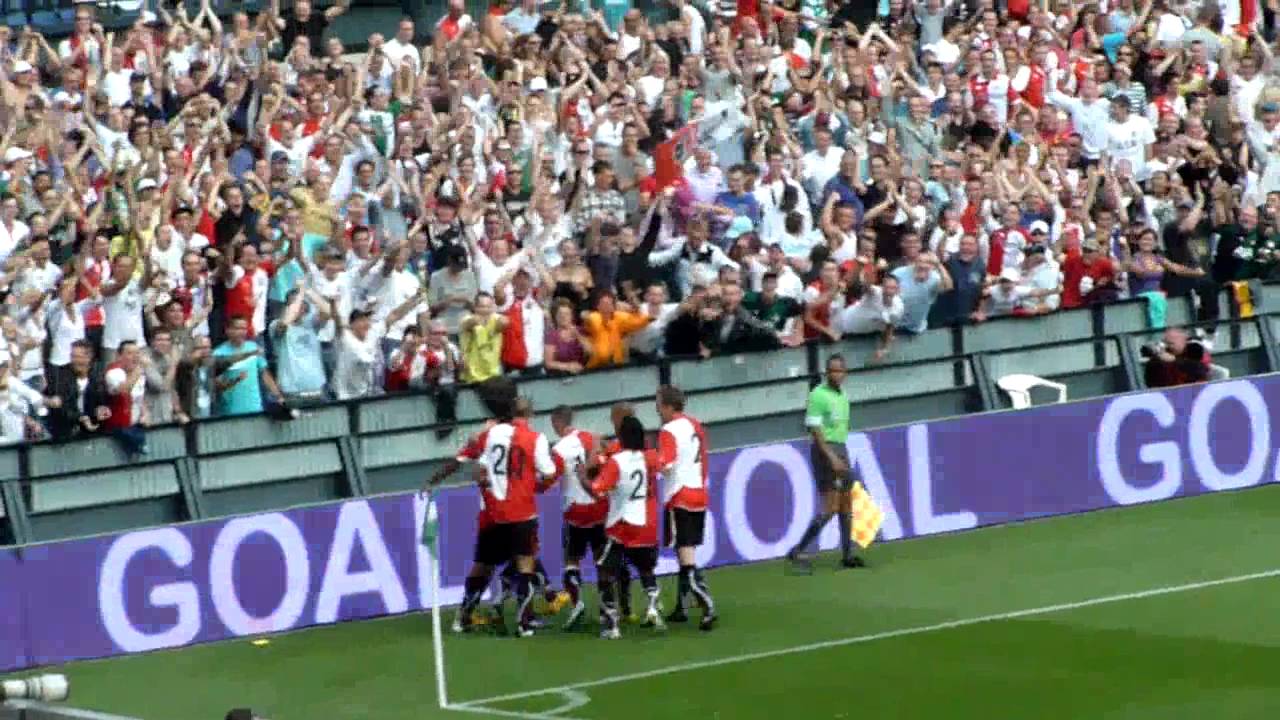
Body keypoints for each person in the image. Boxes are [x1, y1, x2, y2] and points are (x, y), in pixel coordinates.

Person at [427, 392, 559, 637]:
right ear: (529, 415)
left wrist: (434, 480)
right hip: (522, 512)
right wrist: (536, 483)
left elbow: (471, 464)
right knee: (525, 564)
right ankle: (523, 623)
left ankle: (463, 617)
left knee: (483, 566)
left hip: (493, 513)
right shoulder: (535, 438)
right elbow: (549, 473)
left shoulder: (489, 434)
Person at [586, 414, 664, 639]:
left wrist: (583, 477)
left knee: (604, 571)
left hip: (621, 523)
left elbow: (598, 489)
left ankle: (612, 624)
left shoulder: (617, 462)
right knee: (646, 569)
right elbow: (660, 465)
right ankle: (653, 609)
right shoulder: (647, 458)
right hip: (643, 522)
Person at [788, 354, 864, 571]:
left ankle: (848, 555)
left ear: (845, 373)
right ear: (826, 372)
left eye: (839, 371)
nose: (835, 374)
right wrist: (831, 456)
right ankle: (798, 550)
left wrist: (841, 454)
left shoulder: (843, 396)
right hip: (826, 452)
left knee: (846, 505)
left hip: (840, 448)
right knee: (831, 507)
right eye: (831, 371)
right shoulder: (818, 395)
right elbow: (815, 430)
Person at [655, 384, 716, 630]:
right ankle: (681, 606)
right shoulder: (695, 425)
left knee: (685, 554)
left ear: (669, 406)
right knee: (685, 553)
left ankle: (708, 605)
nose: (657, 410)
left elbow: (666, 463)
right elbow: (704, 459)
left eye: (659, 404)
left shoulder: (668, 430)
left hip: (679, 495)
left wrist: (650, 460)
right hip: (698, 493)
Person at [549, 404, 605, 629]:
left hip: (575, 509)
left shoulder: (560, 448)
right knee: (601, 559)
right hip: (598, 505)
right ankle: (606, 607)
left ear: (557, 423)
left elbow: (551, 476)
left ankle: (578, 603)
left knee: (571, 560)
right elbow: (603, 463)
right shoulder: (591, 438)